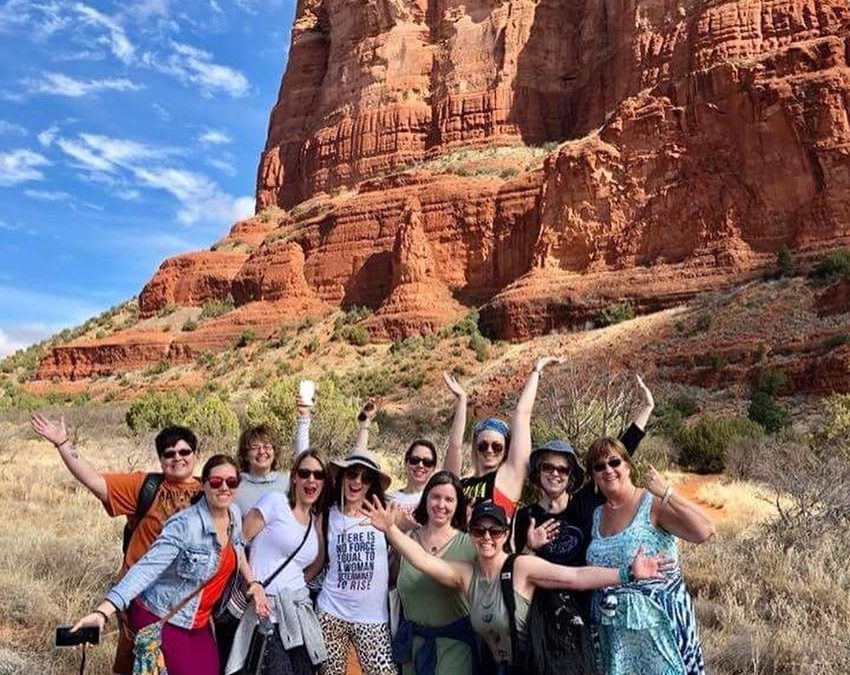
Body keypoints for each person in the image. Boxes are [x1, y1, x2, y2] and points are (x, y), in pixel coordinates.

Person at [364, 499, 667, 675]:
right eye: (479, 530)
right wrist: (391, 529)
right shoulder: (466, 575)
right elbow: (422, 561)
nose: (487, 537)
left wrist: (628, 573)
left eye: (495, 530)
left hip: (534, 667)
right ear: (470, 533)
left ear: (505, 533)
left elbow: (575, 577)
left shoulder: (521, 567)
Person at [30, 413, 202, 674]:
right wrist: (62, 443)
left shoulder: (210, 491)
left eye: (184, 451)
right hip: (142, 601)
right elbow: (95, 482)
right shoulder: (146, 486)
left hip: (188, 606)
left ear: (195, 454)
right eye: (169, 454)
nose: (177, 457)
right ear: (161, 459)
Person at [71, 455, 270, 675]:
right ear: (203, 485)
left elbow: (237, 548)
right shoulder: (185, 525)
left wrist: (253, 582)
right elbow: (146, 569)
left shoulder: (233, 515)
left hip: (199, 623)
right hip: (162, 615)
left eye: (231, 482)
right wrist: (103, 612)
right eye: (216, 482)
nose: (224, 487)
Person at [585, 437, 715, 675]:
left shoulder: (651, 503)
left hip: (658, 629)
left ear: (627, 465)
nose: (608, 470)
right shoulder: (595, 515)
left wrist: (667, 492)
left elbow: (705, 531)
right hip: (612, 636)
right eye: (599, 466)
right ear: (592, 475)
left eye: (614, 462)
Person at [513, 374, 655, 567]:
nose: (555, 474)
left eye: (562, 470)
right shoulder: (525, 516)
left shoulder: (584, 502)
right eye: (548, 467)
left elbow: (618, 452)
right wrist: (530, 547)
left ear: (570, 476)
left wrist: (647, 408)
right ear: (538, 472)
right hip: (544, 597)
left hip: (585, 594)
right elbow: (518, 572)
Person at [226, 449, 330, 675]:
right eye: (305, 473)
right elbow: (237, 542)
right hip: (265, 611)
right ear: (294, 477)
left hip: (298, 615)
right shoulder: (275, 502)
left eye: (318, 475)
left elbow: (315, 564)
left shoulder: (314, 520)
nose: (311, 480)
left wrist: (298, 583)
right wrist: (253, 583)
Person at [442, 358, 563, 518]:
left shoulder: (508, 477)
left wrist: (536, 371)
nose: (489, 450)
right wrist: (462, 400)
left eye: (497, 446)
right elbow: (454, 446)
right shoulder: (462, 483)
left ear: (506, 449)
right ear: (475, 448)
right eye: (483, 446)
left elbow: (522, 415)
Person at [317, 446, 396, 675]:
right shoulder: (326, 515)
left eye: (366, 477)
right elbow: (319, 560)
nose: (357, 481)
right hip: (331, 612)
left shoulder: (383, 514)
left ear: (372, 484)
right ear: (342, 475)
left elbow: (419, 527)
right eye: (352, 473)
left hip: (373, 617)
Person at [393, 471, 477, 675]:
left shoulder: (470, 545)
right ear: (426, 498)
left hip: (454, 649)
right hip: (412, 647)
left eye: (449, 499)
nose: (441, 505)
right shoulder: (406, 540)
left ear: (458, 505)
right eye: (436, 497)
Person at [234, 394, 312, 516]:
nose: (262, 452)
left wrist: (304, 416)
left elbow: (304, 461)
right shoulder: (235, 487)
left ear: (275, 452)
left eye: (267, 447)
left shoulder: (286, 483)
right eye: (255, 447)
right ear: (245, 454)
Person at [388, 439, 438, 526]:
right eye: (414, 460)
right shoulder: (389, 499)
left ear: (433, 468)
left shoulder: (437, 501)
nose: (420, 465)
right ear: (406, 462)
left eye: (427, 462)